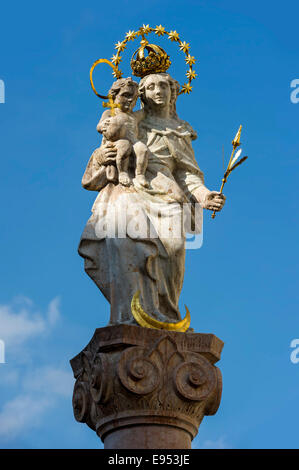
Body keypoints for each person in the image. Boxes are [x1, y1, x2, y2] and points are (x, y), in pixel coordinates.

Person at [78, 72, 226, 326]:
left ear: (173, 92)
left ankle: (166, 315)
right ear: (142, 95)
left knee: (175, 250)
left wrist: (204, 195)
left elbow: (188, 174)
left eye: (163, 86)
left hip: (169, 197)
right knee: (127, 244)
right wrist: (104, 155)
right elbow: (105, 150)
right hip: (132, 190)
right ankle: (130, 316)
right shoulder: (129, 120)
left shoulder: (180, 131)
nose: (158, 91)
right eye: (151, 87)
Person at [97, 77, 149, 188]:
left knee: (142, 149)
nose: (131, 100)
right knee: (124, 146)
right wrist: (103, 126)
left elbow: (147, 110)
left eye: (134, 98)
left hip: (134, 141)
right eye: (126, 95)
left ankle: (139, 175)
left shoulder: (133, 116)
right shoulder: (110, 112)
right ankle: (122, 173)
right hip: (117, 141)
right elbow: (99, 126)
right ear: (114, 96)